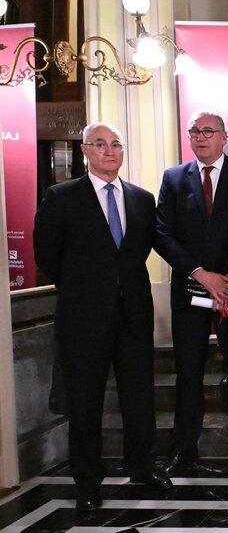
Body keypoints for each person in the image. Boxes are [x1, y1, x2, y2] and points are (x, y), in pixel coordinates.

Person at [34, 122, 172, 512]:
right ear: (85, 152)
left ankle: (142, 465)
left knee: (139, 396)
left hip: (133, 316)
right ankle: (88, 482)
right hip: (83, 319)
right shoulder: (61, 197)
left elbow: (157, 245)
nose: (110, 151)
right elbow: (48, 256)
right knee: (86, 403)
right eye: (100, 144)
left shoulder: (142, 199)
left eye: (116, 144)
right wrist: (87, 290)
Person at [155, 111, 228, 478]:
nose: (200, 137)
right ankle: (185, 450)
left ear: (223, 137)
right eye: (194, 132)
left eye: (208, 131)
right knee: (188, 374)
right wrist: (202, 275)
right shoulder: (173, 178)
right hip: (190, 289)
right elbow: (162, 234)